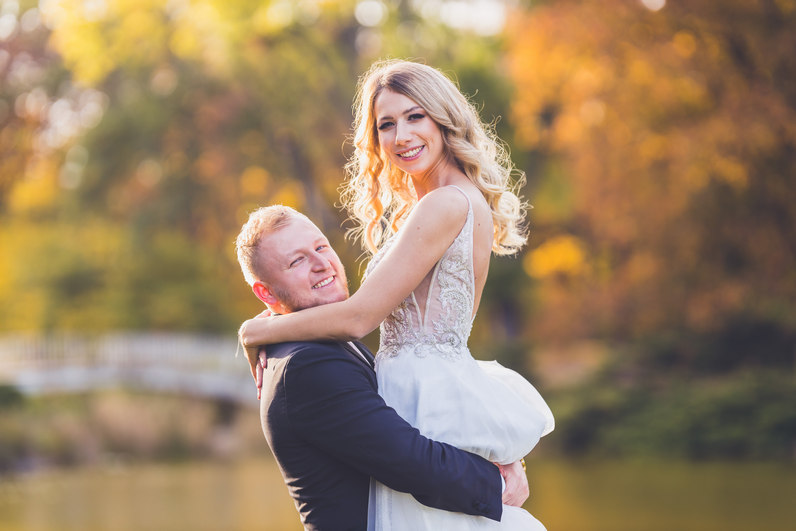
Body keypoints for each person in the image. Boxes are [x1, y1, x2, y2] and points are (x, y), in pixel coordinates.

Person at [239, 60, 554, 529]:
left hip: (424, 389)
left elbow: (359, 318)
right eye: (386, 124)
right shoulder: (440, 202)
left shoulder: (445, 202)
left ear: (444, 118)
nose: (401, 135)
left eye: (415, 116)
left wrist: (258, 331)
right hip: (419, 383)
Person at [235, 205, 529, 531]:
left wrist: (504, 459)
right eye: (297, 261)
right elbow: (409, 460)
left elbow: (416, 421)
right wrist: (497, 481)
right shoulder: (308, 365)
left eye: (320, 247)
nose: (321, 264)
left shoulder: (326, 342)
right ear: (265, 292)